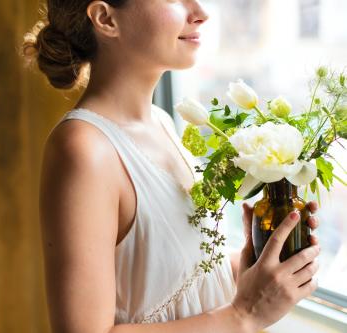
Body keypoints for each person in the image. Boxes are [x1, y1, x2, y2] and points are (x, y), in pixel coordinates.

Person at [22, 1, 321, 332]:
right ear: (106, 19)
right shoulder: (83, 151)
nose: (201, 12)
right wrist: (244, 315)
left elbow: (171, 287)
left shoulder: (161, 122)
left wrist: (256, 267)